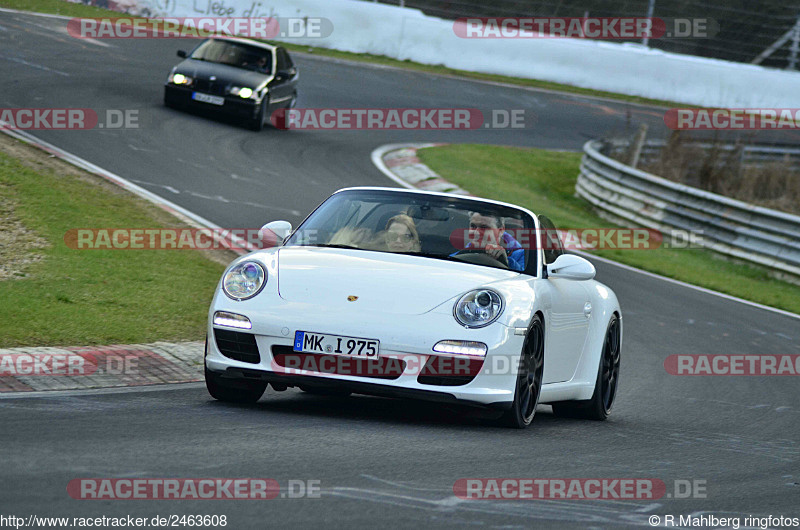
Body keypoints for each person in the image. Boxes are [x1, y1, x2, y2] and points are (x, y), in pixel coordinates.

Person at [459, 212, 525, 271]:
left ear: (501, 230)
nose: (476, 233)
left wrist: (508, 262)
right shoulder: (462, 251)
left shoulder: (521, 255)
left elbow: (524, 280)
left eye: (484, 227)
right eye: (473, 226)